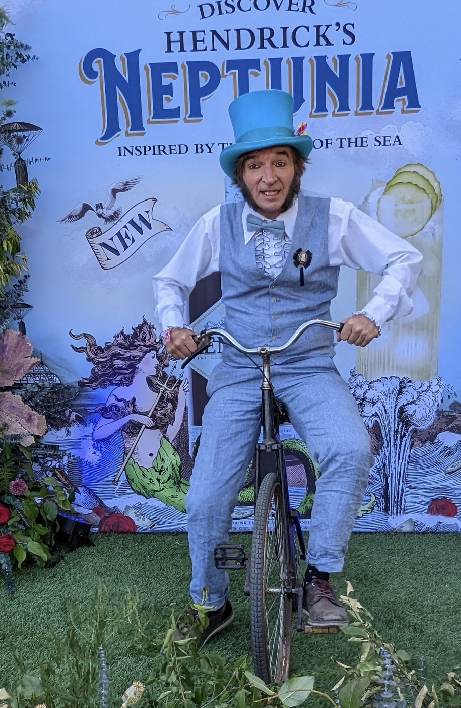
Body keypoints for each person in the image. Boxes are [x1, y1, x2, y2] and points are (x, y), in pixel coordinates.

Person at [153, 89, 422, 645]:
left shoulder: (333, 218)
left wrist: (372, 314)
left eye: (280, 162)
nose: (269, 176)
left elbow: (403, 258)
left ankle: (320, 576)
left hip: (307, 362)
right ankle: (212, 602)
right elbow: (170, 281)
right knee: (204, 497)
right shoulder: (216, 223)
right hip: (238, 365)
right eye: (256, 165)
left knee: (349, 448)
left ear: (297, 167)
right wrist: (175, 328)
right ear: (240, 174)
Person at [71, 319, 190, 512]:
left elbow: (171, 434)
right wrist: (130, 417)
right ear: (137, 361)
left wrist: (182, 397)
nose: (157, 360)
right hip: (146, 474)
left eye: (155, 355)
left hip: (169, 467)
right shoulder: (120, 394)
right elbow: (98, 434)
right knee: (193, 504)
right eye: (151, 356)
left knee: (201, 496)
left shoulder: (159, 390)